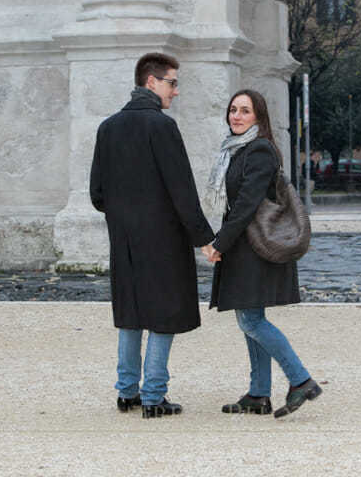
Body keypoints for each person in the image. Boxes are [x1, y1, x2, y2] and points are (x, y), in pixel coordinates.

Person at [90, 52, 215, 419]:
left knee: (130, 314)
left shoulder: (107, 128)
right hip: (163, 239)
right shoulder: (162, 127)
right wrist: (203, 237)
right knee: (163, 314)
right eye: (172, 83)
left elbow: (97, 194)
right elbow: (182, 190)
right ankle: (154, 396)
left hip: (124, 239)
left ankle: (127, 392)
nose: (176, 91)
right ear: (151, 82)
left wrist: (124, 215)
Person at [203, 89, 322, 419]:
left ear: (259, 117)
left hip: (254, 248)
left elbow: (245, 205)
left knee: (251, 320)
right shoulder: (238, 149)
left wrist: (219, 243)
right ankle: (258, 394)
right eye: (233, 110)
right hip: (246, 247)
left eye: (245, 111)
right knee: (249, 320)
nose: (236, 116)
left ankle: (301, 380)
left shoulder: (259, 151)